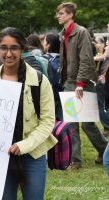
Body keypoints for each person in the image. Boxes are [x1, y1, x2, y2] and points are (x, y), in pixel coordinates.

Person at [0, 27, 57, 200]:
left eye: (14, 48)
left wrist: (24, 145)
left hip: (32, 155)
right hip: (0, 155)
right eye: (4, 47)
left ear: (22, 49)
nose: (8, 53)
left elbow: (48, 122)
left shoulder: (40, 81)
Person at [56, 2, 108, 169]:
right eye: (58, 13)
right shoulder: (62, 33)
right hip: (69, 81)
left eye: (62, 13)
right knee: (71, 123)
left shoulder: (81, 32)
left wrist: (80, 83)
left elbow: (86, 59)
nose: (58, 16)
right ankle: (75, 160)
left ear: (71, 15)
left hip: (82, 82)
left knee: (87, 124)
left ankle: (105, 150)